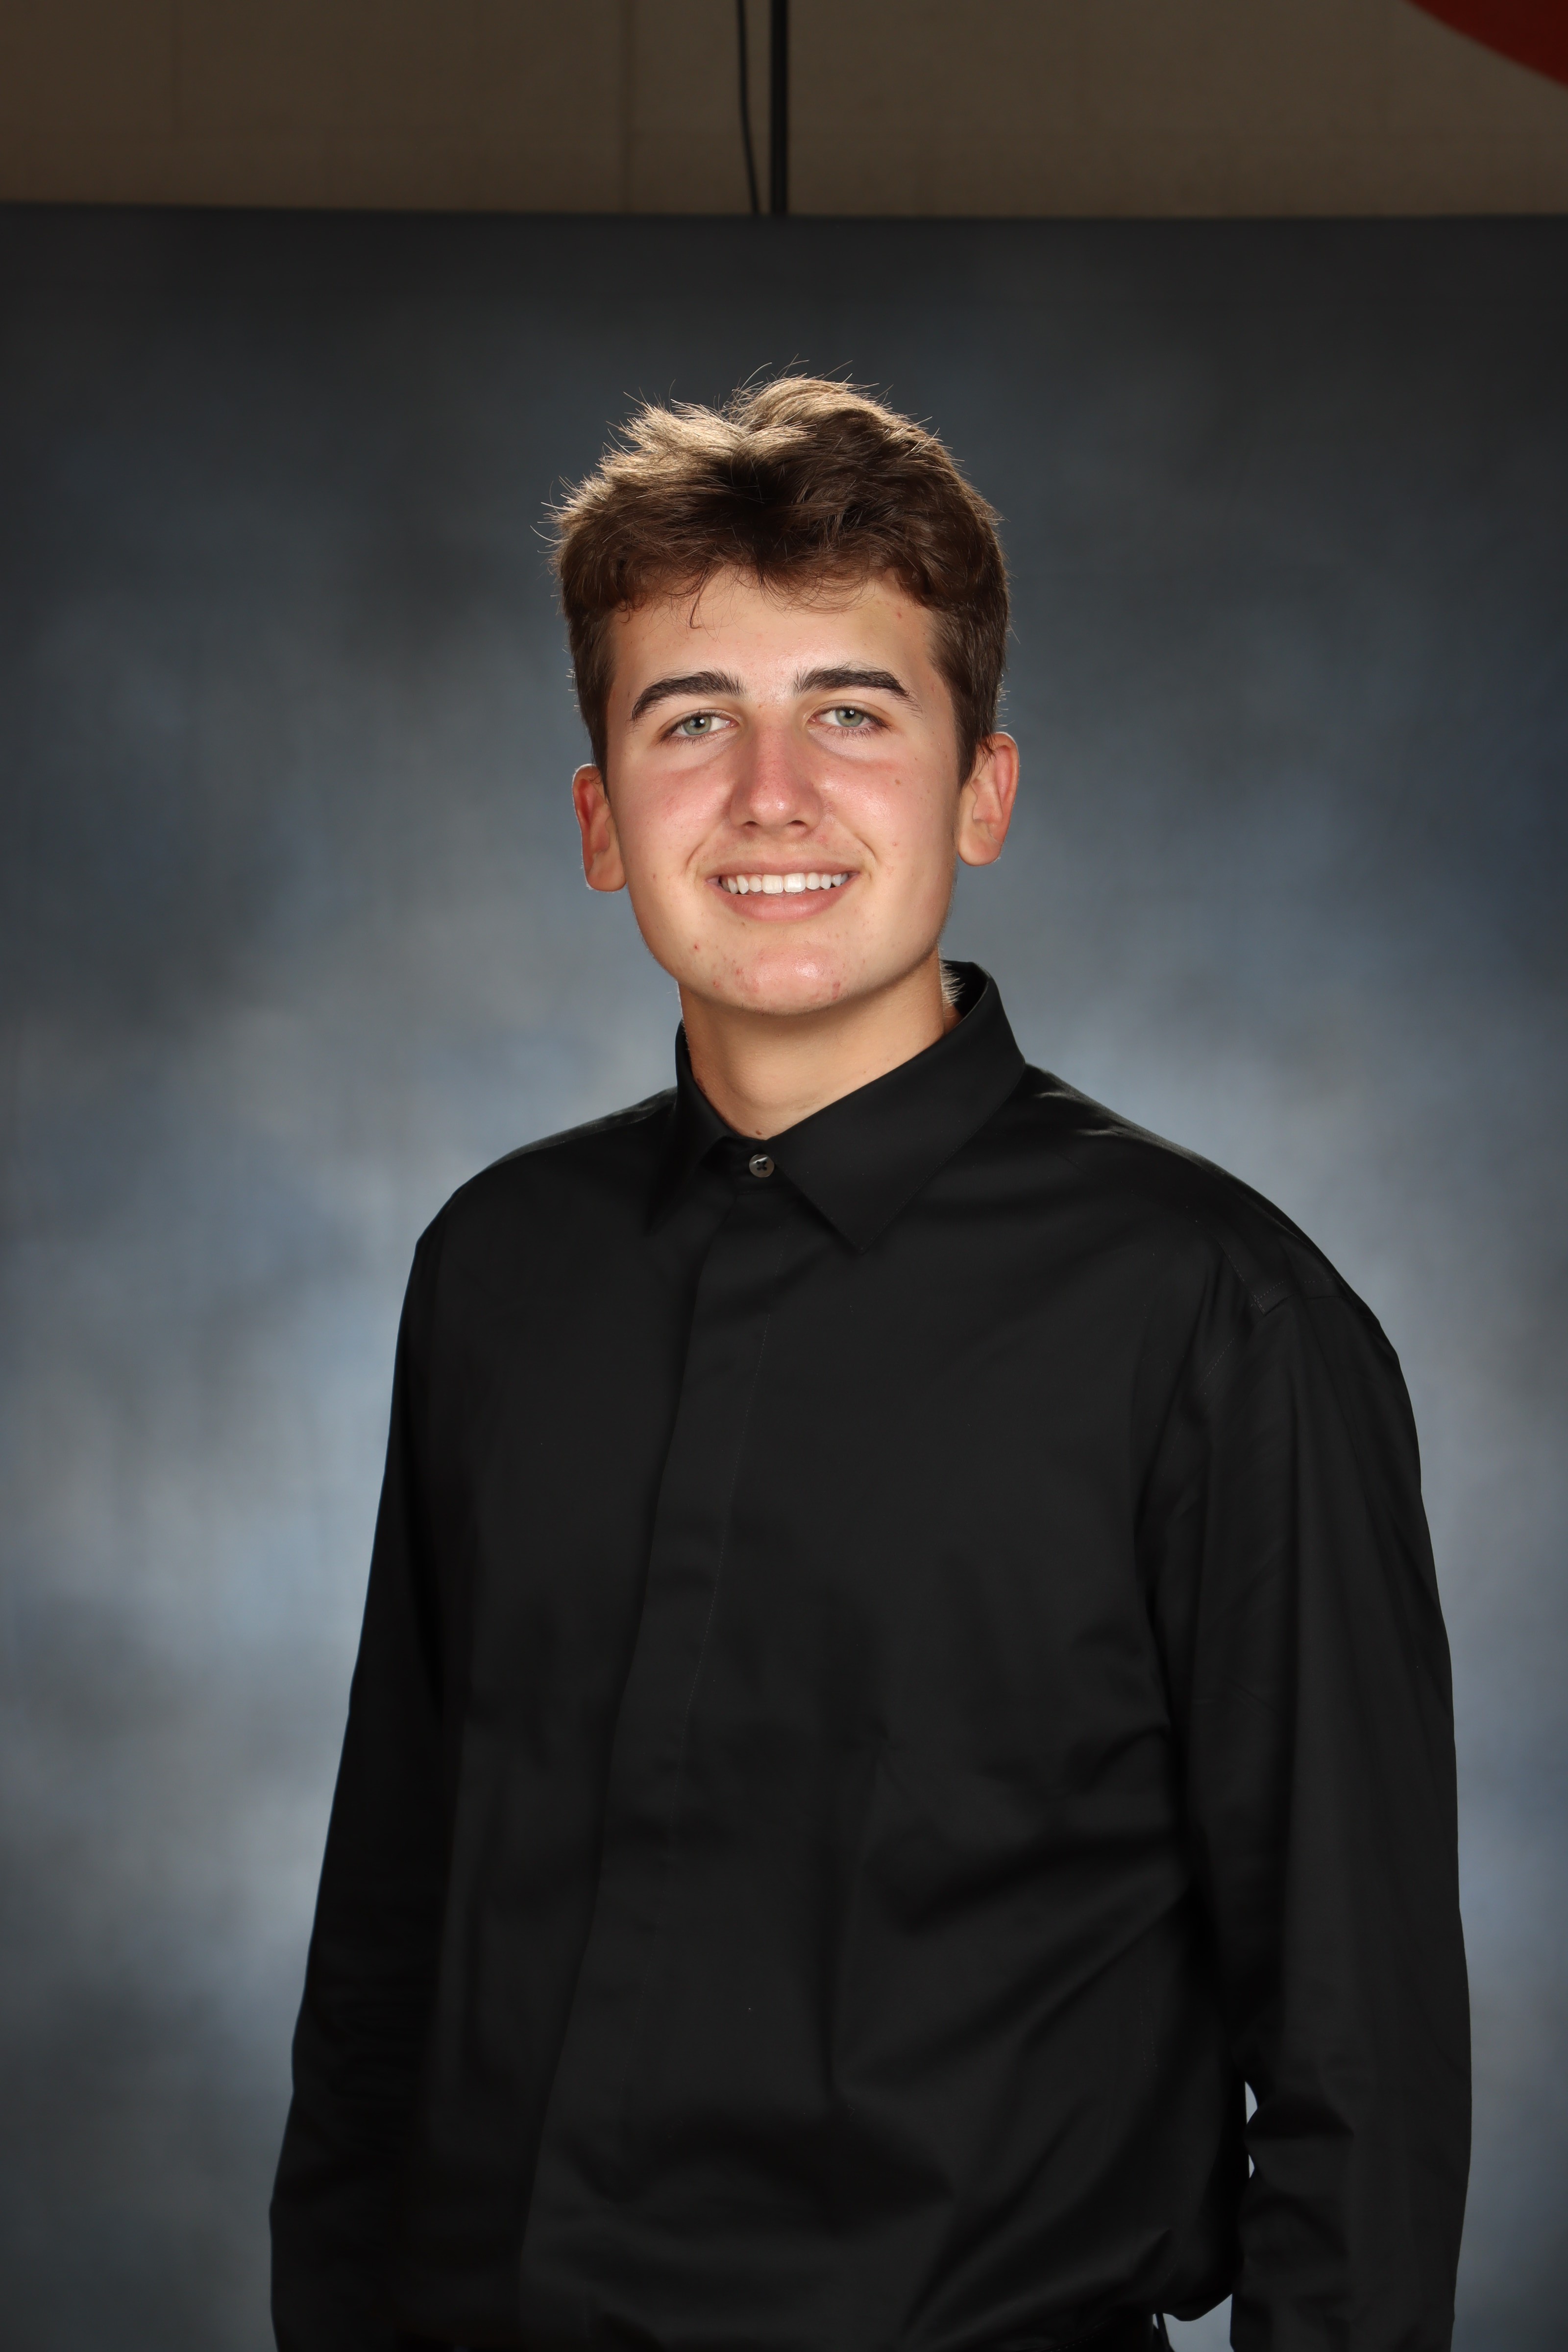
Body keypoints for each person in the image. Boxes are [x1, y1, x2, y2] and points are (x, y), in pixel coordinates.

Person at [270, 378, 1470, 2352]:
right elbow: (388, 1947)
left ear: (980, 792)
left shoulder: (1219, 1321)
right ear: (599, 821)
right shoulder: (494, 1275)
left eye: (851, 711)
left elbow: (1364, 2068)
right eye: (690, 721)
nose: (769, 795)